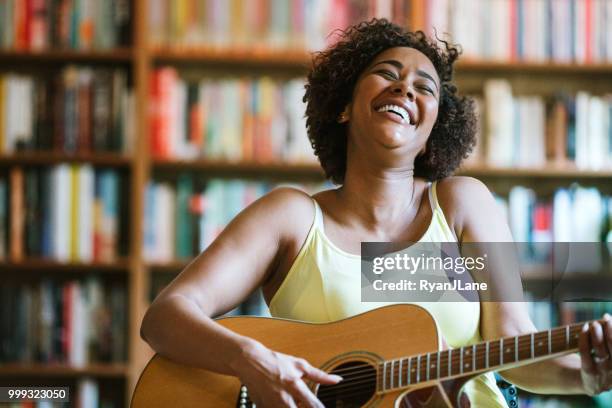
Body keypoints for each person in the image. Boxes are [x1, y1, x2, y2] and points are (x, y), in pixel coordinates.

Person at [140, 19, 612, 407]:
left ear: (431, 133)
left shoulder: (463, 204)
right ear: (345, 106)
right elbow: (165, 317)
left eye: (424, 87)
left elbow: (516, 348)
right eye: (388, 73)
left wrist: (589, 378)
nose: (406, 87)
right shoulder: (292, 217)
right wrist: (251, 359)